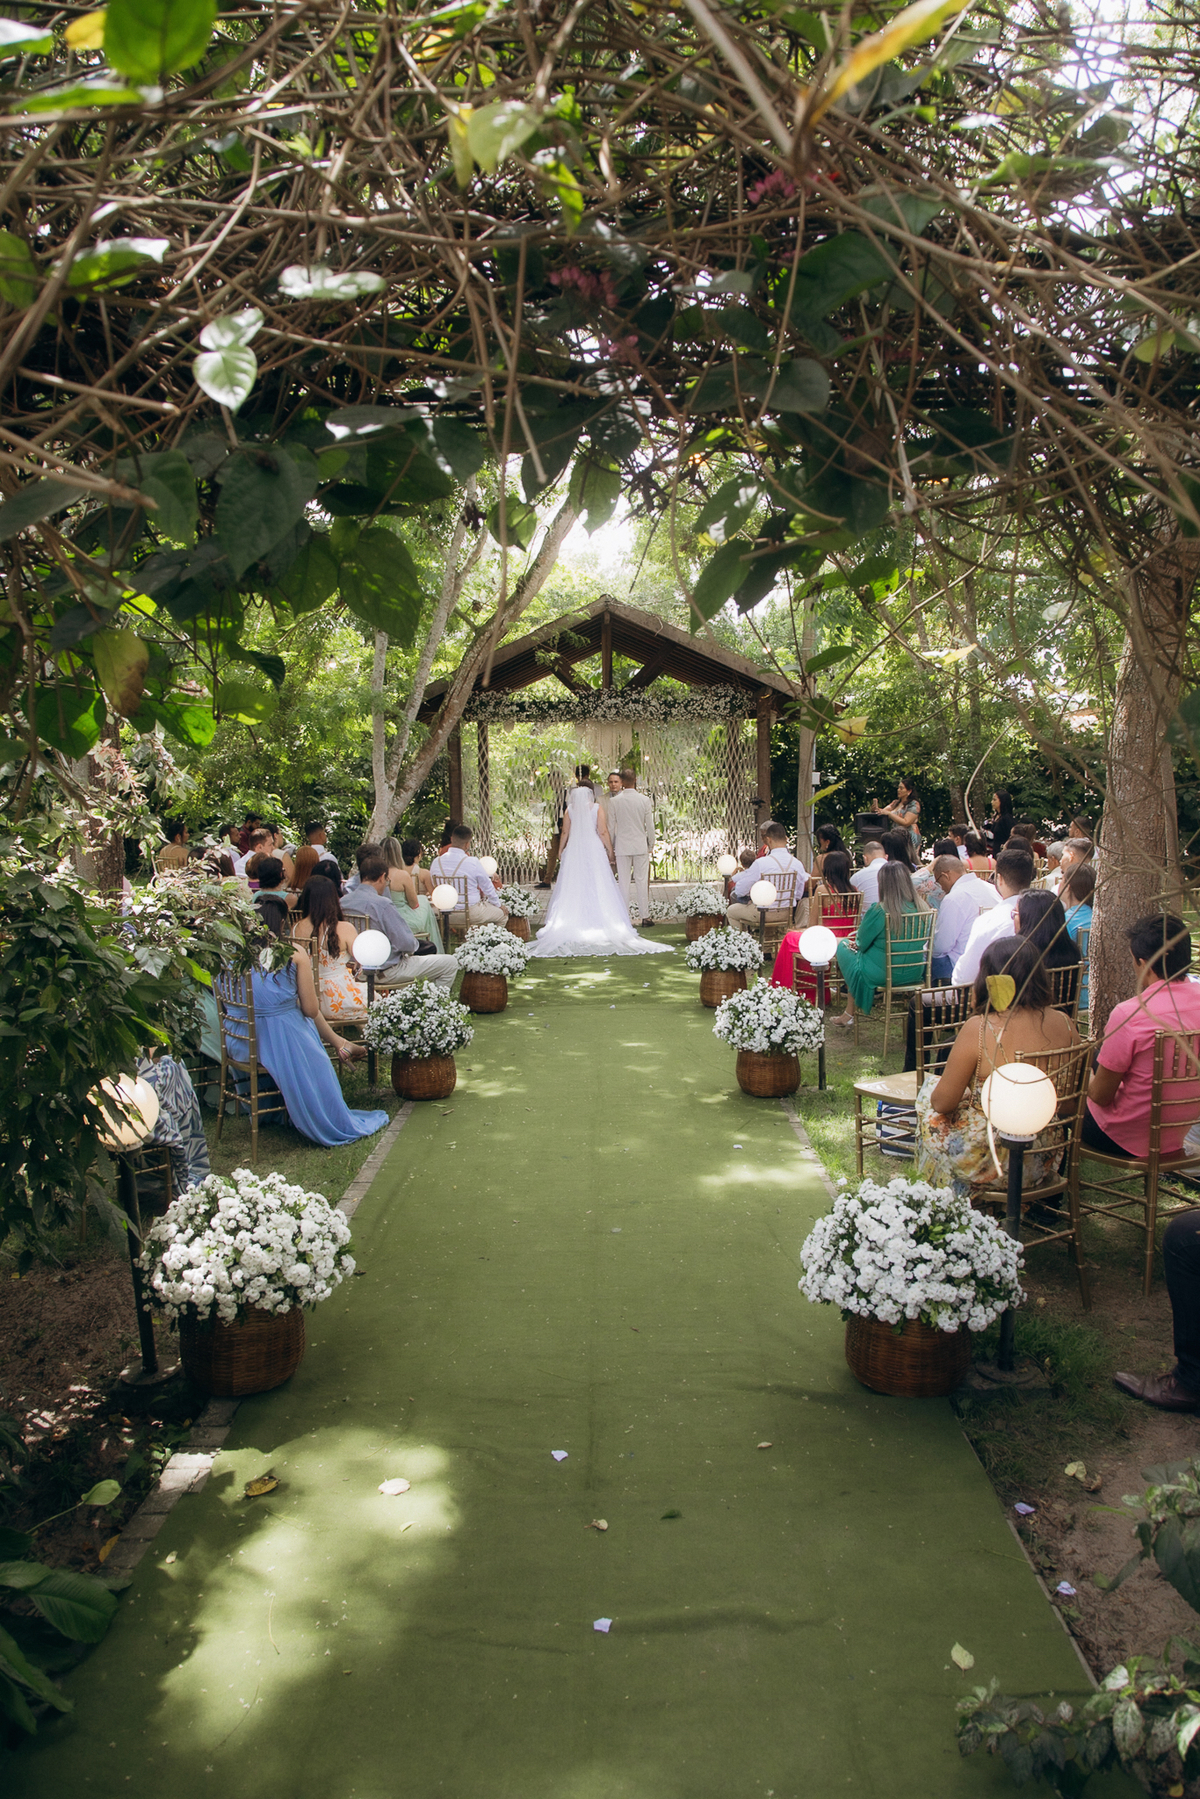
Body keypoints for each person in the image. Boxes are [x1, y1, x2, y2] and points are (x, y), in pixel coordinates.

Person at [915, 936, 1080, 1198]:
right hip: (1043, 1155)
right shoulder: (1066, 1024)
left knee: (929, 1099)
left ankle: (943, 1203)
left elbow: (942, 1103)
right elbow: (1071, 1105)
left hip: (989, 1156)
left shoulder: (981, 1028)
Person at [219, 941, 387, 1148]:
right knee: (301, 1020)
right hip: (275, 1040)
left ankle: (339, 1043)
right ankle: (337, 1055)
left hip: (240, 1039)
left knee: (291, 1007)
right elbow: (310, 1009)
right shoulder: (292, 952)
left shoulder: (224, 952)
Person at [1082, 913, 1200, 1161]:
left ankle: (1046, 1191)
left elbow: (1100, 1096)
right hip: (1178, 1129)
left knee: (1058, 1104)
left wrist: (1084, 1078)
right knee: (1094, 1056)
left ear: (1143, 963)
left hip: (1124, 1135)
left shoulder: (1131, 1014)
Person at [528, 784, 671, 959]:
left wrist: (561, 850)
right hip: (593, 849)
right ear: (591, 795)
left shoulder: (569, 810)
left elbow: (565, 832)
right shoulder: (597, 808)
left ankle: (575, 919)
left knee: (574, 885)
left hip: (574, 849)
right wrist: (610, 849)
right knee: (598, 883)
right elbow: (603, 832)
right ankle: (600, 919)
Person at [832, 862, 929, 1029]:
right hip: (915, 972)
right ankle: (848, 1013)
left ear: (883, 884)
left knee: (843, 946)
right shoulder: (924, 908)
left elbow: (861, 943)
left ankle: (849, 1013)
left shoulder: (879, 910)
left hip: (882, 973)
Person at [353, 851, 460, 991]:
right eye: (387, 881)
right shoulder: (382, 905)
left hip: (357, 970)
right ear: (381, 878)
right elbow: (407, 944)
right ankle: (433, 1006)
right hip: (387, 970)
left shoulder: (343, 902)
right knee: (450, 963)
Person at [770, 849, 857, 997]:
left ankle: (786, 987)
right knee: (793, 936)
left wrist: (798, 931)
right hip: (848, 940)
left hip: (826, 940)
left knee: (789, 938)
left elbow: (813, 925)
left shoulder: (823, 890)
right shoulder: (854, 891)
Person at [951, 843, 1035, 986]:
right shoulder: (1048, 912)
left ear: (999, 878)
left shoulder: (988, 921)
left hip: (995, 1000)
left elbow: (963, 979)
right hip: (1040, 995)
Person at [292, 876, 369, 1023]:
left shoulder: (296, 927)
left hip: (304, 997)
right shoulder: (345, 928)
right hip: (339, 998)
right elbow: (362, 960)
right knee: (375, 999)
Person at [929, 854, 1001, 982]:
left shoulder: (954, 898)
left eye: (938, 881)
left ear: (946, 875)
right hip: (994, 960)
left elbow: (942, 945)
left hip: (963, 965)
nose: (941, 887)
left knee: (930, 955)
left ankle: (938, 997)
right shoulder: (991, 888)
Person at [726, 822, 808, 930]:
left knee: (731, 911)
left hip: (762, 913)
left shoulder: (761, 863)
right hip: (787, 914)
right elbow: (798, 895)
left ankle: (744, 942)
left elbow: (740, 891)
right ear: (786, 839)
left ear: (769, 839)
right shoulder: (797, 863)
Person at [430, 825, 507, 931]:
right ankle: (491, 944)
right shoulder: (473, 862)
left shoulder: (436, 862)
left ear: (452, 839)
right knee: (502, 915)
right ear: (467, 844)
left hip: (444, 914)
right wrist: (498, 905)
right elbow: (487, 887)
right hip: (471, 912)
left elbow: (434, 886)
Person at [607, 769, 656, 926]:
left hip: (622, 846)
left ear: (621, 781)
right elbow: (650, 826)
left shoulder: (615, 801)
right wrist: (651, 844)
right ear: (635, 780)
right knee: (641, 881)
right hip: (640, 845)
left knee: (623, 882)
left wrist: (611, 847)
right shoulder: (644, 800)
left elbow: (611, 827)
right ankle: (645, 917)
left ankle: (623, 916)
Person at [381, 837, 444, 950]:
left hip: (383, 918)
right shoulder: (402, 875)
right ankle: (428, 946)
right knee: (423, 900)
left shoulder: (377, 875)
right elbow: (414, 904)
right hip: (403, 919)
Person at [1014, 888, 1081, 985]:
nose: (1013, 919)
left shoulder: (1020, 957)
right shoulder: (1073, 951)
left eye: (1015, 913)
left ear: (1028, 920)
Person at [1061, 863, 1095, 1011]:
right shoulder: (1096, 915)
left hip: (1074, 992)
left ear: (1068, 886)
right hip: (1096, 987)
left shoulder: (1066, 920)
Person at [874, 777, 922, 855]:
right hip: (896, 836)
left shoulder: (913, 804)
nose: (898, 790)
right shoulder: (895, 803)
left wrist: (889, 814)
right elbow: (882, 811)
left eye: (901, 788)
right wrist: (875, 808)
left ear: (909, 791)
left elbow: (906, 822)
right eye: (898, 788)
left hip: (909, 837)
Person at [252, 856, 291, 937]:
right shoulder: (290, 898)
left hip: (259, 933)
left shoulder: (255, 896)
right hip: (281, 934)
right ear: (280, 874)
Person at [850, 838, 886, 907]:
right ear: (886, 857)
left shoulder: (857, 876)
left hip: (867, 916)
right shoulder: (900, 872)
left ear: (865, 858)